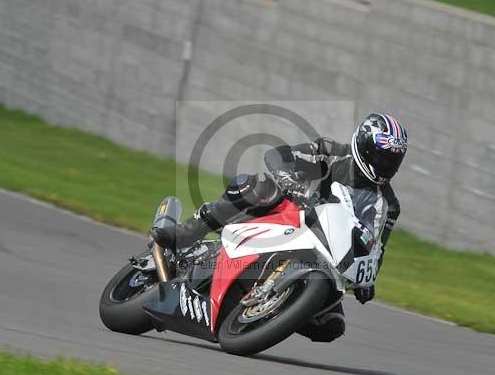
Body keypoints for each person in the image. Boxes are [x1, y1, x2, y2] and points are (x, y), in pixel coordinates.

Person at [152, 113, 407, 343]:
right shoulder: (332, 153)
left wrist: (367, 279)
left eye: (392, 159)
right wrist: (292, 184)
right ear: (363, 146)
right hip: (289, 214)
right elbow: (276, 156)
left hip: (326, 254)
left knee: (331, 327)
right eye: (380, 155)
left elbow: (377, 246)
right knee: (257, 186)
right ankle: (186, 234)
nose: (385, 164)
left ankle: (268, 314)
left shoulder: (388, 205)